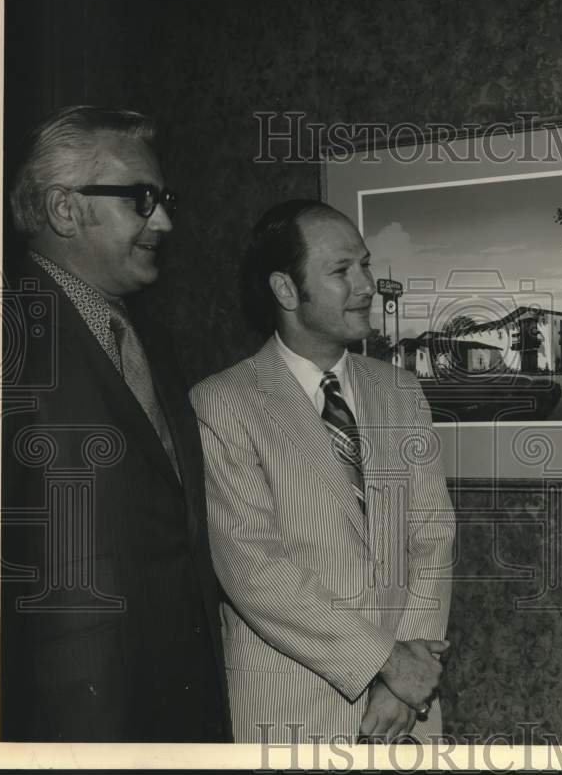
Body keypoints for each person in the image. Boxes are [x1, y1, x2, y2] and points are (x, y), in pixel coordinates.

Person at [0, 106, 231, 741]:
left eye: (165, 199)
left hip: (182, 699)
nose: (165, 220)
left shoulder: (152, 338)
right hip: (71, 718)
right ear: (64, 209)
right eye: (141, 199)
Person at [190, 200, 456, 743]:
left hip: (405, 713)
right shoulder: (224, 403)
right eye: (342, 271)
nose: (366, 285)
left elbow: (432, 535)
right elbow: (253, 571)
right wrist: (384, 661)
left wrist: (405, 679)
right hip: (291, 711)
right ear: (286, 291)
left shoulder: (401, 391)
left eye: (365, 264)